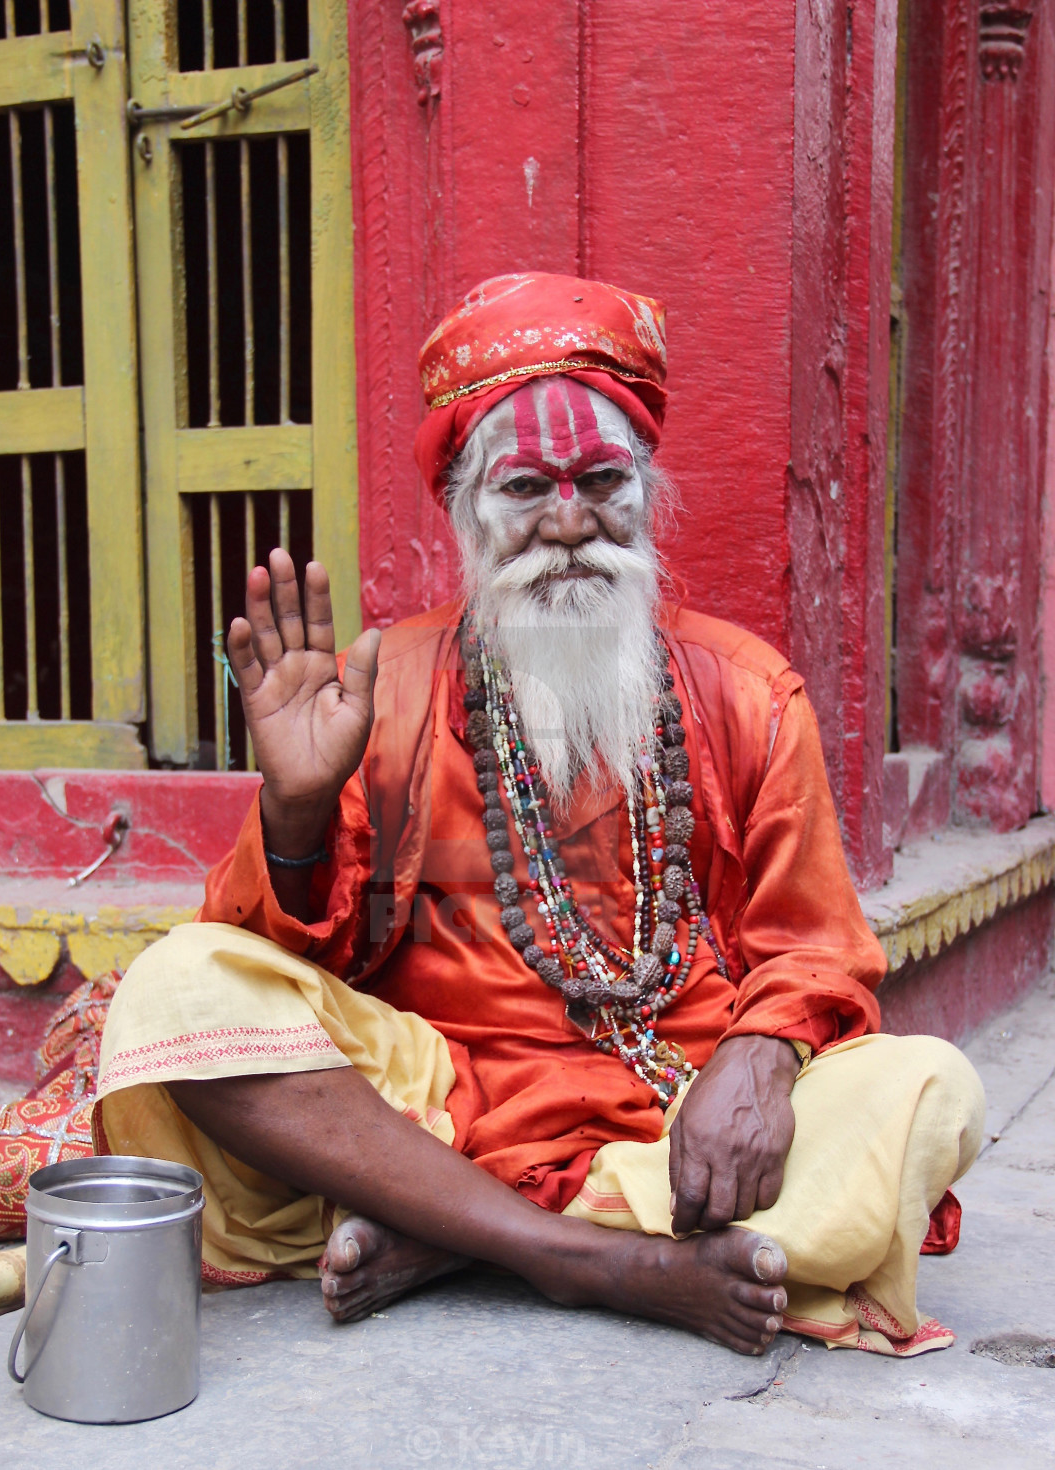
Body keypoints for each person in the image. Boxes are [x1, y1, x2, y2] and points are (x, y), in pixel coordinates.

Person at [96, 273, 984, 1358]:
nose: (569, 521)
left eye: (603, 480)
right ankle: (591, 1257)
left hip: (681, 1111)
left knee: (929, 1090)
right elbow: (278, 959)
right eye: (524, 489)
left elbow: (815, 950)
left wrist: (758, 1061)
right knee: (174, 992)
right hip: (433, 1102)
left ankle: (456, 1236)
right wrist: (294, 807)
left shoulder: (747, 690)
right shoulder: (392, 688)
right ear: (467, 513)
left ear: (647, 494)